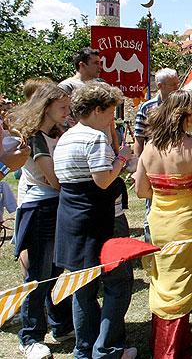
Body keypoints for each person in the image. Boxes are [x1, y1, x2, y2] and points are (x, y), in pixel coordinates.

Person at [52, 82, 136, 359]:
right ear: (98, 109)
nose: (113, 119)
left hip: (71, 219)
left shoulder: (65, 137)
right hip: (101, 221)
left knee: (82, 288)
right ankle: (108, 349)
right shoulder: (94, 137)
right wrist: (123, 156)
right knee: (118, 283)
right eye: (111, 113)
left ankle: (85, 348)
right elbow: (103, 180)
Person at [134, 90, 192, 359]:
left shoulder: (149, 147)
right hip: (190, 226)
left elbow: (141, 191)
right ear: (186, 115)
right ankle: (167, 353)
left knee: (165, 285)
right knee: (179, 290)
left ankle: (179, 339)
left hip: (159, 224)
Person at [9, 84, 74, 359]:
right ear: (47, 107)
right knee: (38, 275)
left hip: (57, 206)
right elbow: (56, 178)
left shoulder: (59, 131)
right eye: (63, 107)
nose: (68, 112)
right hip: (40, 209)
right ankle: (31, 338)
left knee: (57, 272)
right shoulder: (36, 137)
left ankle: (61, 326)